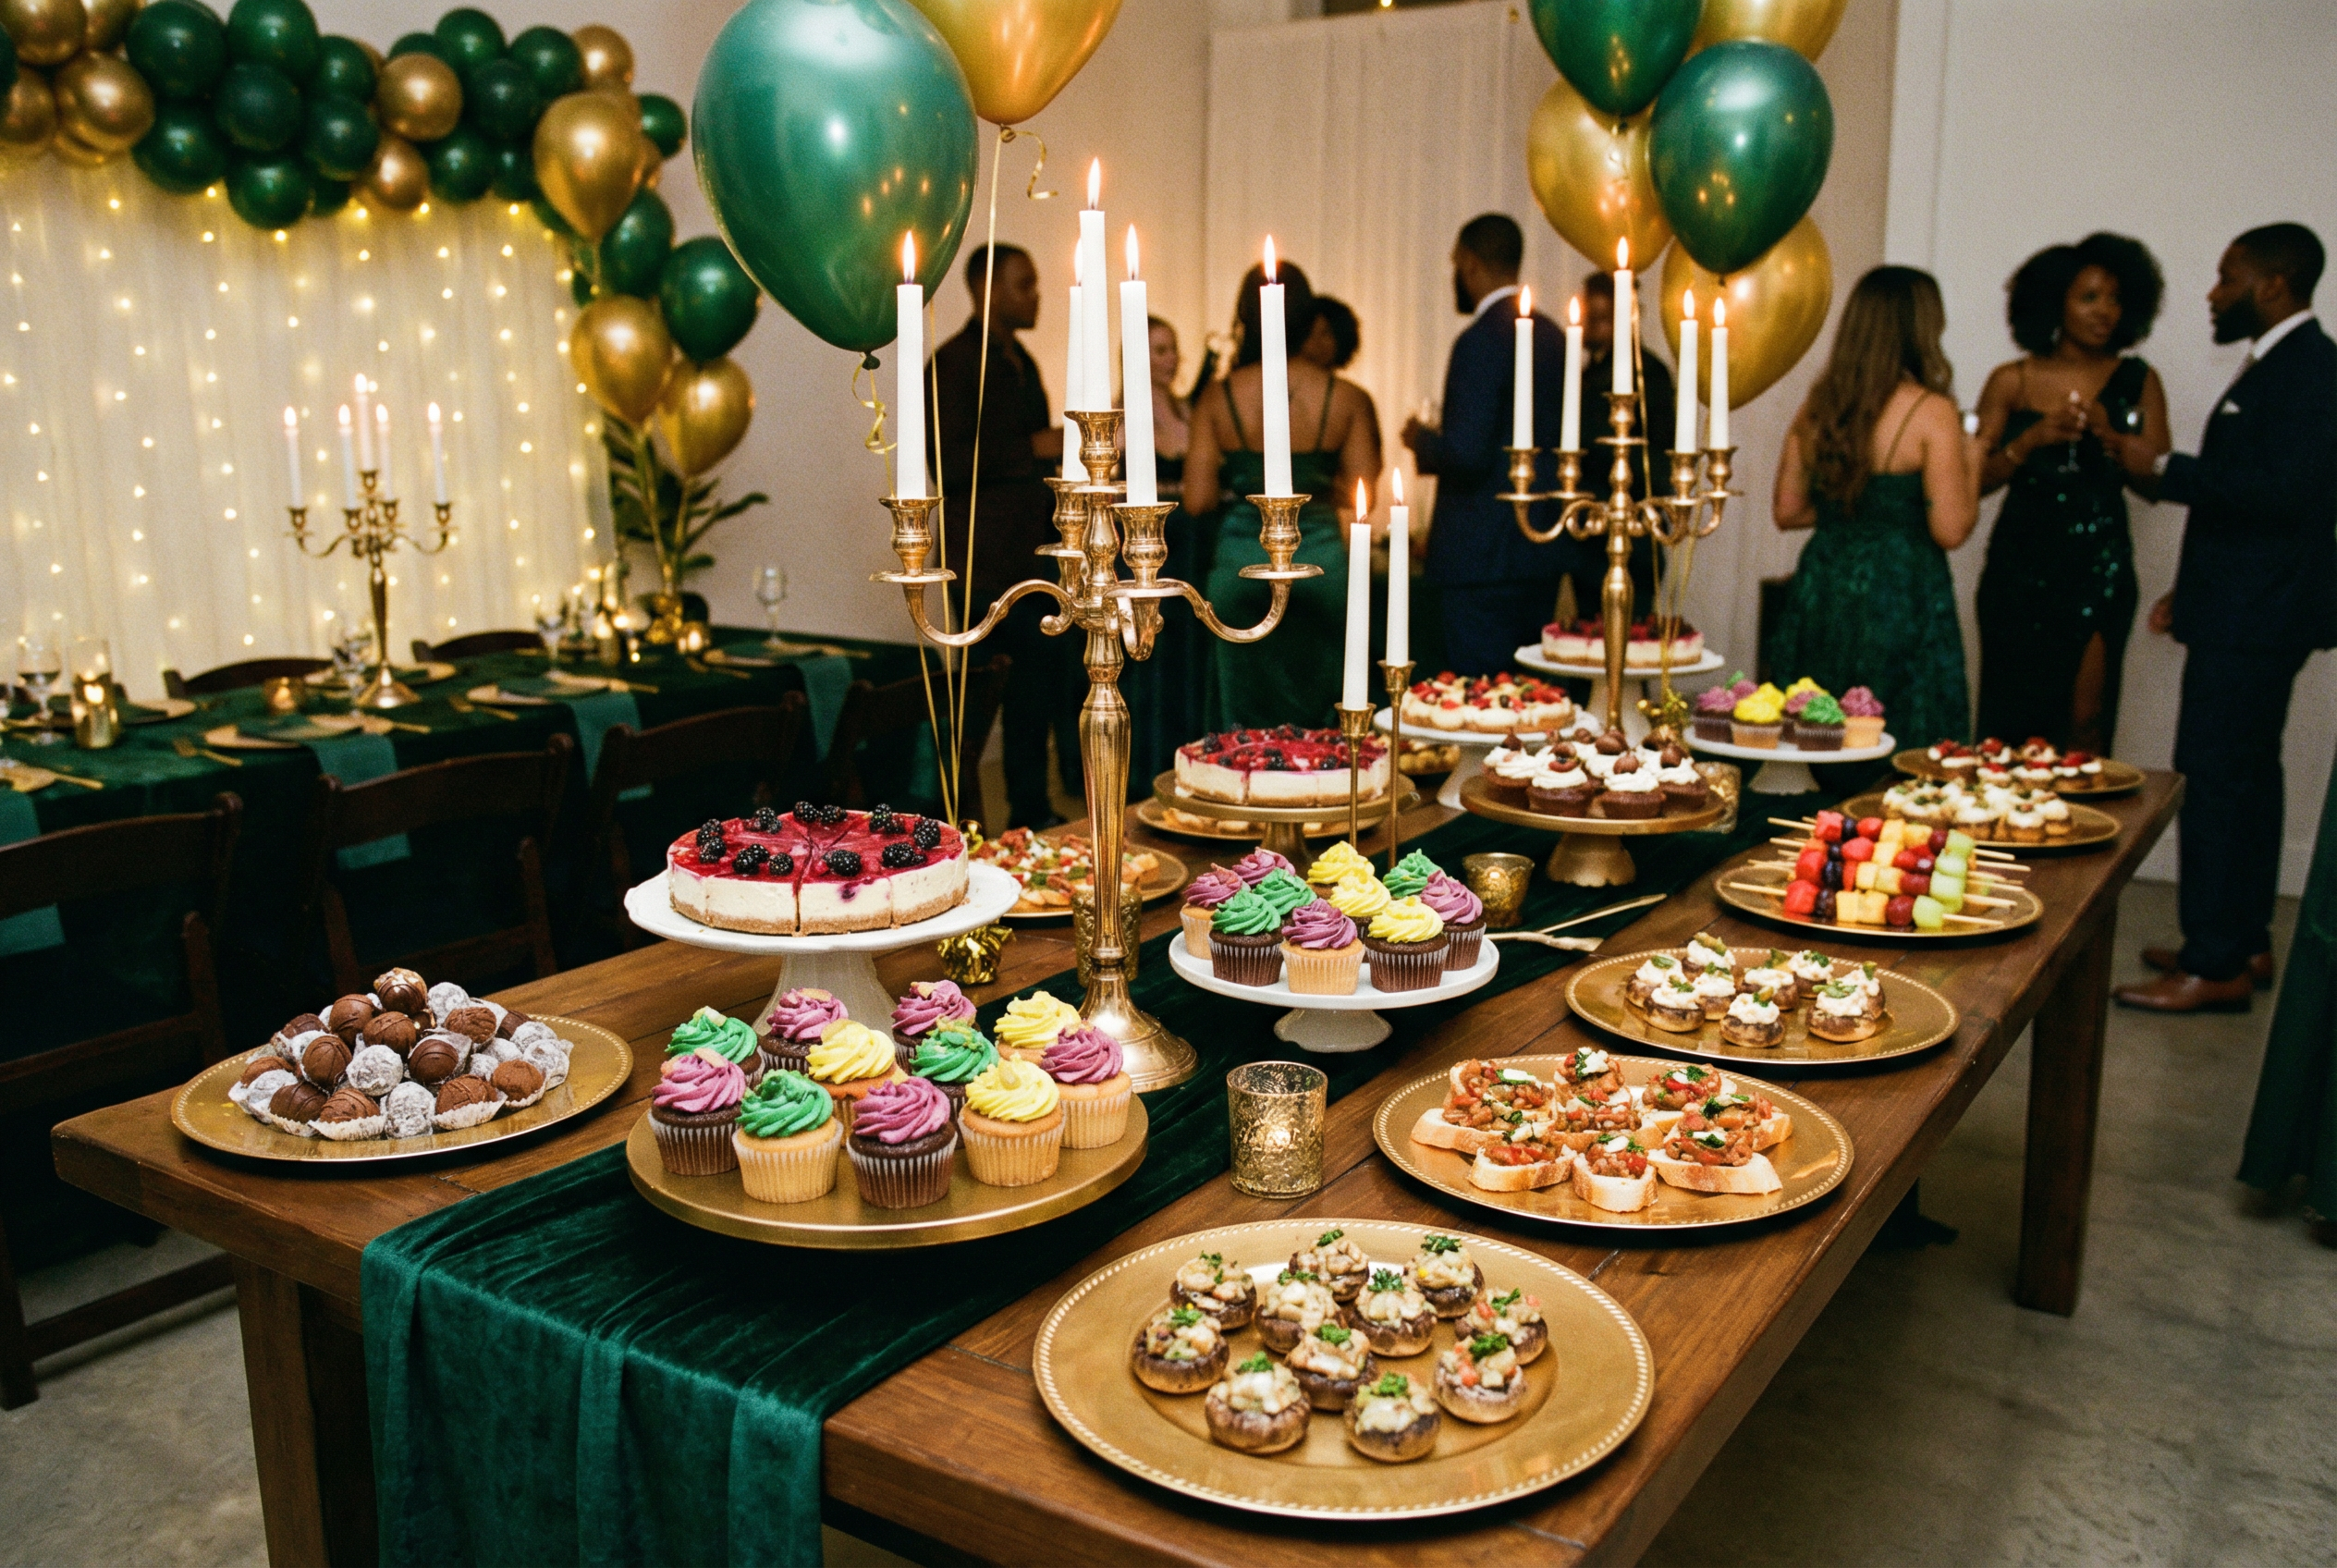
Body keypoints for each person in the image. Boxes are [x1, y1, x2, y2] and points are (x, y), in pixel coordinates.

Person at [2105, 224, 2337, 1013]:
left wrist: (2161, 469)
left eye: (2226, 275)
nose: (2212, 291)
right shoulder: (2285, 364)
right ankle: (2244, 942)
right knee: (2250, 780)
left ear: (2272, 284)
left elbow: (2283, 494)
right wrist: (2191, 592)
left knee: (2215, 782)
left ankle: (2213, 963)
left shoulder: (2306, 370)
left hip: (2257, 619)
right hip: (2246, 608)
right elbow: (2255, 511)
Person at [1768, 266, 1983, 749]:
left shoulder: (1819, 405)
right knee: (1900, 732)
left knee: (1818, 732)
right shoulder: (1932, 412)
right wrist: (1973, 462)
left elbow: (1788, 510)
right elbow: (1949, 529)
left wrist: (1850, 512)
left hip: (1824, 582)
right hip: (1900, 588)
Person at [1973, 234, 2171, 753]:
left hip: (2098, 565)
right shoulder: (2012, 380)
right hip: (2020, 564)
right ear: (2054, 302)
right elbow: (1974, 479)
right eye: (2090, 298)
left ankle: (2083, 825)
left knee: (2087, 719)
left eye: (2116, 299)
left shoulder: (2138, 380)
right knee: (2011, 720)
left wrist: (2112, 439)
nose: (2106, 311)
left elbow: (2157, 482)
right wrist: (2030, 442)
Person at [1185, 259, 1379, 729]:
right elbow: (1364, 495)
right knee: (1329, 704)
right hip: (1321, 563)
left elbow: (1197, 500)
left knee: (1243, 712)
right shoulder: (1348, 399)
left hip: (1241, 564)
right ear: (1311, 321)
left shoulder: (1217, 397)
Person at [925, 242, 1076, 828]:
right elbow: (948, 463)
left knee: (1035, 689)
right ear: (985, 290)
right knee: (979, 693)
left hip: (1034, 552)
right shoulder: (953, 365)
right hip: (982, 558)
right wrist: (1033, 449)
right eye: (1024, 285)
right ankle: (954, 817)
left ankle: (1029, 811)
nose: (1035, 295)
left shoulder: (1024, 361)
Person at [1401, 214, 1571, 674]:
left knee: (1478, 696)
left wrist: (1422, 440)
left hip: (1479, 558)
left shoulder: (1478, 341)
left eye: (1456, 264)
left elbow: (1468, 454)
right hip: (1539, 546)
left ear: (1471, 264)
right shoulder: (1556, 337)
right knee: (1529, 694)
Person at [1560, 270, 1673, 628]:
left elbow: (1659, 459)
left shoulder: (1649, 375)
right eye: (1588, 318)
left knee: (1631, 637)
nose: (1591, 329)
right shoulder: (1589, 371)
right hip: (1590, 537)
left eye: (1601, 320)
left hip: (1634, 537)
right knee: (1589, 636)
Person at [1125, 316, 1202, 791]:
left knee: (1184, 657)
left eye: (1173, 348)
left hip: (1188, 543)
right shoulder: (1121, 413)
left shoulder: (1190, 412)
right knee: (1145, 656)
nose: (1170, 359)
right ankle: (1141, 771)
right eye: (1158, 350)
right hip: (1142, 548)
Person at [1301, 296, 1384, 480]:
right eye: (1309, 333)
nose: (1315, 344)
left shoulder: (1351, 399)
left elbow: (1364, 478)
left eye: (1326, 333)